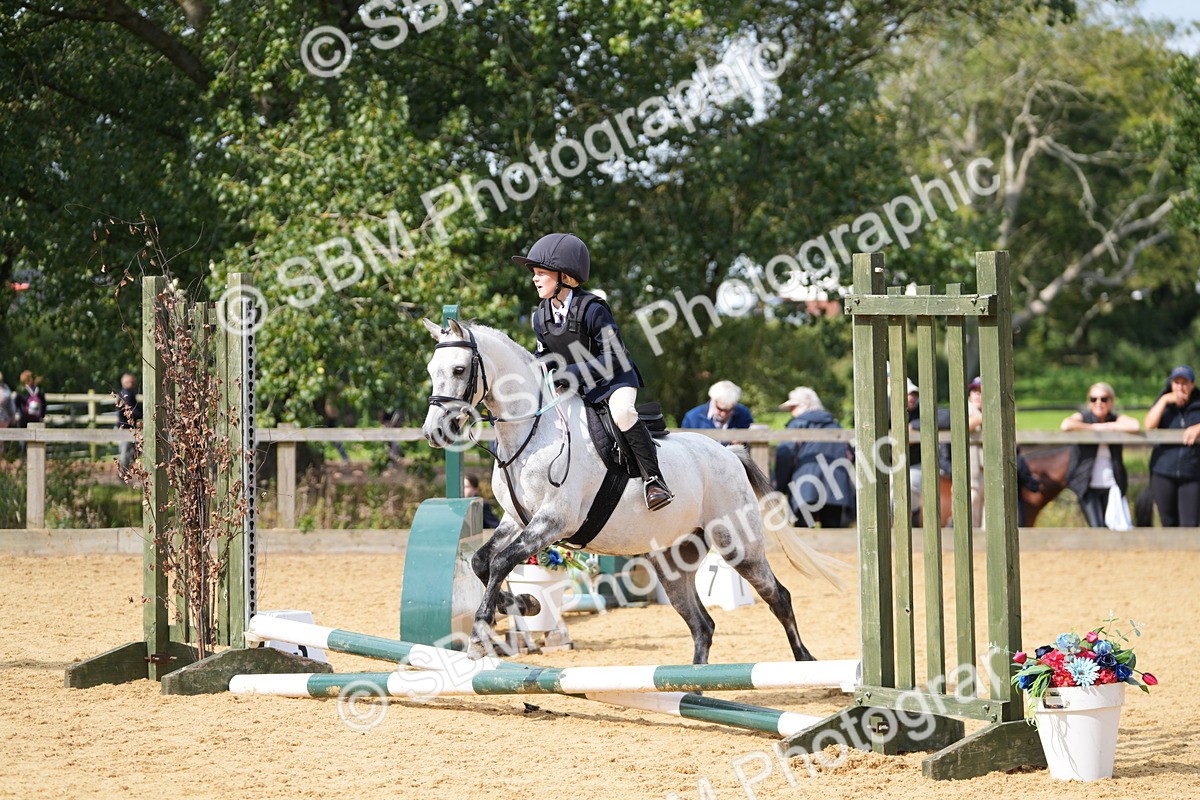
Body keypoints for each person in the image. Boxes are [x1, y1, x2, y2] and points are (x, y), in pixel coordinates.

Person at [515, 232, 671, 511]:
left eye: (541, 273)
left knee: (622, 413)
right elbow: (543, 356)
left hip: (615, 380)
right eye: (534, 274)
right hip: (579, 386)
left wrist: (567, 374)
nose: (535, 279)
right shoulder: (540, 316)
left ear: (564, 276)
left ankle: (654, 481)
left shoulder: (593, 309)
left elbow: (611, 358)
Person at [1061, 382, 1139, 529]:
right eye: (1093, 399)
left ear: (1111, 401)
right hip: (1087, 486)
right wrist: (1092, 428)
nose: (1098, 403)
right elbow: (1066, 425)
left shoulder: (1115, 418)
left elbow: (1134, 425)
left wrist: (1107, 427)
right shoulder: (1083, 417)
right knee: (1097, 528)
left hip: (1112, 486)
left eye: (1104, 399)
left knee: (1114, 528)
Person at [773, 387, 854, 527]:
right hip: (836, 490)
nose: (792, 413)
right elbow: (850, 454)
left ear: (802, 406)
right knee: (834, 538)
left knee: (804, 538)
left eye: (793, 408)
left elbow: (785, 455)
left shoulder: (797, 425)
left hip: (805, 489)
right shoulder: (835, 425)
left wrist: (779, 485)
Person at [1144, 366, 1200, 527]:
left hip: (1192, 472)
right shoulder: (1163, 403)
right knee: (1168, 522)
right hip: (1163, 471)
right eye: (1177, 383)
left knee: (1190, 523)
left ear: (1192, 384)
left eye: (1185, 383)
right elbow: (1149, 424)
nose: (1180, 387)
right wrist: (1164, 401)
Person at [680, 380, 754, 430]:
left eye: (728, 410)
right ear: (713, 400)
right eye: (720, 409)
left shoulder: (744, 415)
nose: (723, 414)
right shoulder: (692, 418)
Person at [115, 372, 143, 479]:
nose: (132, 384)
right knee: (125, 453)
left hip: (129, 428)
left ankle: (123, 473)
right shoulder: (126, 394)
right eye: (130, 382)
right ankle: (121, 474)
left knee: (132, 452)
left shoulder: (128, 394)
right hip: (125, 429)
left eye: (133, 382)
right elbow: (131, 411)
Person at [966, 377, 985, 528]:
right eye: (975, 391)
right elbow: (966, 425)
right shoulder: (966, 409)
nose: (978, 395)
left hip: (987, 467)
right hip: (969, 470)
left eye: (981, 392)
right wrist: (986, 416)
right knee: (971, 499)